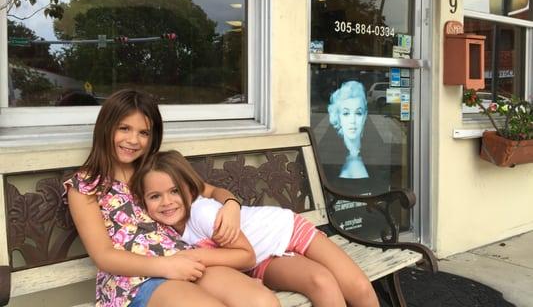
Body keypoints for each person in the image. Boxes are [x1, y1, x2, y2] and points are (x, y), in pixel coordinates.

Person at [64, 89, 278, 307]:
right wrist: (166, 266)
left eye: (144, 133)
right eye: (124, 128)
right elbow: (104, 256)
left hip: (186, 260)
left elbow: (212, 191)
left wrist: (232, 205)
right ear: (106, 128)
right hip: (134, 279)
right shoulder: (85, 185)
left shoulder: (153, 170)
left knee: (262, 301)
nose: (133, 140)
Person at [130, 150, 380, 307]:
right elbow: (247, 260)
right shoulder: (162, 229)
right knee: (321, 281)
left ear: (190, 189)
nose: (167, 202)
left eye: (174, 191)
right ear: (143, 201)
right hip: (261, 261)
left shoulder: (202, 214)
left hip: (287, 229)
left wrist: (194, 256)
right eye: (155, 196)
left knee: (358, 287)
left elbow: (244, 254)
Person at [328, 80, 369, 179]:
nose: (353, 121)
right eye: (346, 113)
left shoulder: (376, 155)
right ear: (338, 117)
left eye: (358, 113)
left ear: (364, 116)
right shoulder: (329, 157)